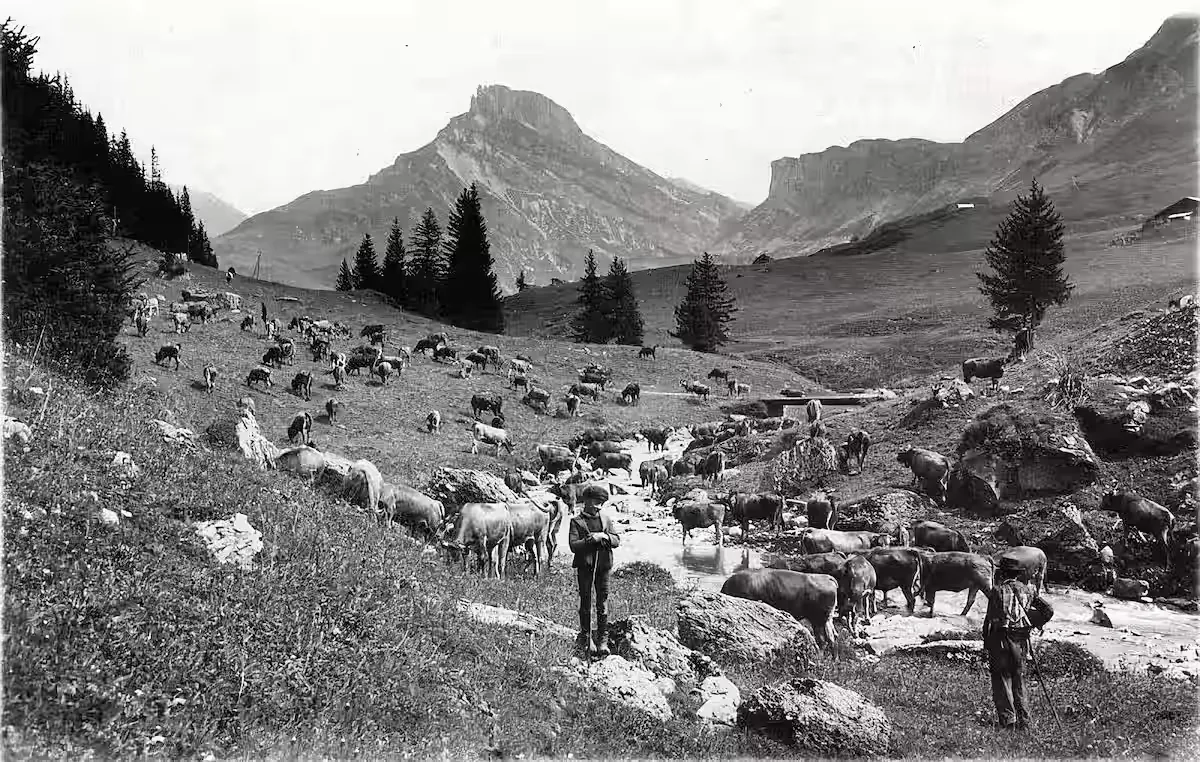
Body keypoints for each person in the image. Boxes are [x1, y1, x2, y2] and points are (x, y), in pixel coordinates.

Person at [982, 556, 1054, 730]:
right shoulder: (1029, 590)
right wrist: (1033, 623)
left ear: (1002, 573)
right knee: (1018, 678)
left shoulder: (997, 591)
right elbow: (1048, 610)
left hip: (1001, 638)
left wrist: (987, 641)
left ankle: (1008, 721)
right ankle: (1025, 720)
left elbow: (989, 620)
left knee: (1001, 678)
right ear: (1017, 574)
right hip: (1021, 640)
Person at [568, 484, 622, 657]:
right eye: (597, 502)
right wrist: (591, 540)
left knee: (602, 602)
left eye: (601, 503)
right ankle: (587, 637)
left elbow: (616, 540)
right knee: (585, 602)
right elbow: (573, 546)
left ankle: (603, 639)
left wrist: (604, 536)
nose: (599, 506)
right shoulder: (576, 521)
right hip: (585, 567)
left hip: (603, 567)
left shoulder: (605, 519)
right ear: (587, 501)